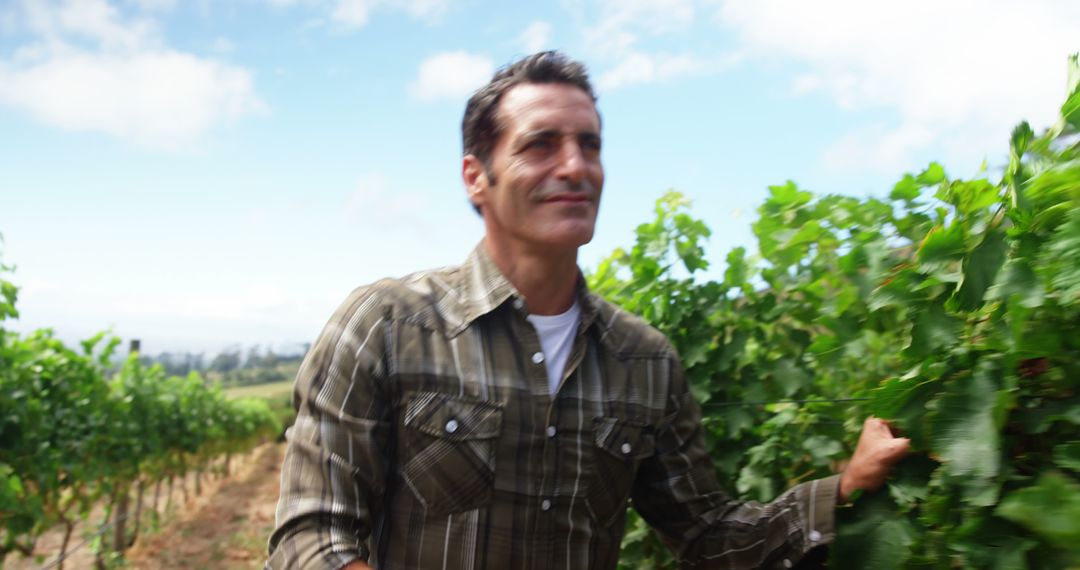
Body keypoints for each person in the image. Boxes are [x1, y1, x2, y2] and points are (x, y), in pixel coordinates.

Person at [266, 51, 910, 570]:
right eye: (540, 145)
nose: (575, 166)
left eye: (589, 145)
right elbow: (311, 535)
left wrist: (846, 486)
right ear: (476, 177)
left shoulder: (645, 362)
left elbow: (708, 536)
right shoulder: (387, 326)